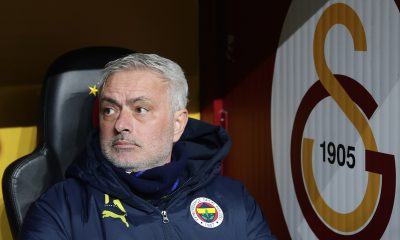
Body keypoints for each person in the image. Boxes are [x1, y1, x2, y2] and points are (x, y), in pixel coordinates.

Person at [20, 53, 276, 239]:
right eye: (109, 110)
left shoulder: (233, 199)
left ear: (178, 124)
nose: (120, 124)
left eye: (140, 109)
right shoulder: (61, 207)